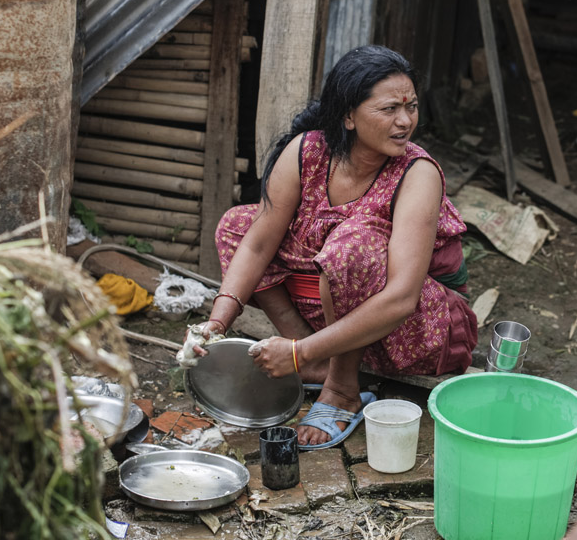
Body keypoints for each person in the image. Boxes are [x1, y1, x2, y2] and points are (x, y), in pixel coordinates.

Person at [176, 44, 477, 449]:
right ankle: (321, 363)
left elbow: (402, 298)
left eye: (412, 107)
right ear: (348, 116)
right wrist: (216, 323)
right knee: (238, 224)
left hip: (414, 331)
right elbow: (257, 244)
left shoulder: (417, 173)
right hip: (332, 322)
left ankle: (341, 389)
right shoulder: (308, 151)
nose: (405, 121)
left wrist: (296, 353)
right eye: (389, 109)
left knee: (351, 248)